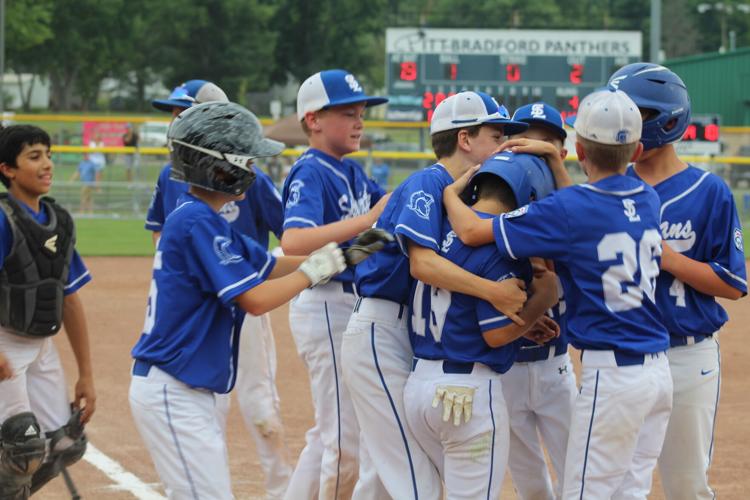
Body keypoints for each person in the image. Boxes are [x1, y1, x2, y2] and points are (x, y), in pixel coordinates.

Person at [443, 89, 673, 498]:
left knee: (585, 491)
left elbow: (472, 230)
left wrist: (448, 194)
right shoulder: (648, 199)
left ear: (578, 149)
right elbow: (585, 205)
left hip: (614, 375)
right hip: (657, 375)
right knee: (629, 490)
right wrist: (555, 159)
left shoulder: (566, 210)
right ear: (637, 150)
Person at [128, 101, 348, 499]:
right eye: (245, 162)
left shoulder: (205, 219)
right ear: (218, 168)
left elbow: (266, 265)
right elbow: (256, 299)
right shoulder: (196, 221)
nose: (252, 170)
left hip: (187, 390)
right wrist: (312, 272)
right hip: (173, 390)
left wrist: (339, 258)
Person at [343, 91, 531, 499]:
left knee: (383, 470)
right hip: (380, 329)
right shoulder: (430, 181)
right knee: (413, 477)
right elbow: (422, 266)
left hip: (400, 329)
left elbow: (367, 245)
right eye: (496, 135)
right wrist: (493, 293)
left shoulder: (454, 195)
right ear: (465, 140)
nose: (503, 146)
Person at [146, 79, 293, 498]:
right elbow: (163, 237)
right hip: (213, 305)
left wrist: (336, 258)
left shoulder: (252, 181)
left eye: (182, 114)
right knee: (208, 399)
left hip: (241, 301)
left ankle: (281, 488)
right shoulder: (175, 182)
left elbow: (286, 242)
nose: (174, 124)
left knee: (259, 403)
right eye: (174, 115)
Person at [612, 62, 747, 500]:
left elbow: (732, 283)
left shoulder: (709, 191)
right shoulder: (609, 187)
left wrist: (667, 257)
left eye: (635, 115)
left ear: (666, 120)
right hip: (624, 355)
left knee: (686, 485)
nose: (624, 125)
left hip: (687, 356)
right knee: (613, 482)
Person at [403, 152, 560, 499]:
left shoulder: (442, 229)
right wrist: (544, 298)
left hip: (419, 389)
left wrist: (524, 326)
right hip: (465, 396)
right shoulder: (502, 248)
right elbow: (496, 334)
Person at [280, 69, 390, 500]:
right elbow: (293, 241)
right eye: (348, 113)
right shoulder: (311, 170)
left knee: (331, 433)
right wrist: (368, 222)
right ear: (313, 120)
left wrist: (377, 233)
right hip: (325, 301)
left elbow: (371, 236)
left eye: (361, 113)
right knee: (345, 442)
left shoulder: (353, 172)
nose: (359, 121)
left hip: (347, 302)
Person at [0, 125, 95, 497]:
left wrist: (86, 375)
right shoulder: (3, 219)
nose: (47, 164)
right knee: (23, 446)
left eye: (49, 155)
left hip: (41, 346)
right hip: (5, 341)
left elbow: (69, 299)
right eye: (34, 156)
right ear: (8, 169)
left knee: (66, 444)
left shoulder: (60, 222)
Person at [500, 102, 577, 500]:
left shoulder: (568, 203)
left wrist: (553, 163)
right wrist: (525, 318)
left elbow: (581, 225)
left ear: (561, 153)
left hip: (555, 367)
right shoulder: (497, 204)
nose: (531, 146)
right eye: (523, 138)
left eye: (545, 142)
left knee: (577, 473)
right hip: (507, 367)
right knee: (530, 484)